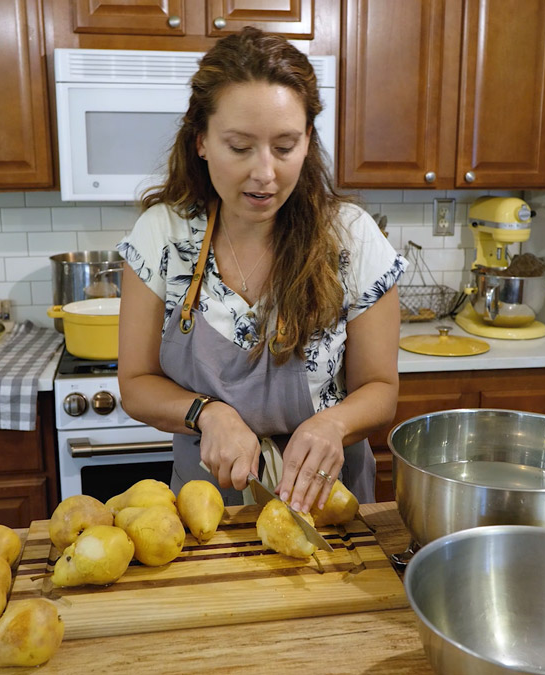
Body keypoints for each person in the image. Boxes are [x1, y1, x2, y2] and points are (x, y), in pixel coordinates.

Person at [116, 27, 406, 514]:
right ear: (202, 141)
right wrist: (207, 413)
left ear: (308, 140)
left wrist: (333, 424)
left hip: (327, 499)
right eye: (240, 146)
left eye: (285, 146)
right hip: (207, 503)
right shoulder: (161, 236)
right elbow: (137, 384)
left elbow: (380, 389)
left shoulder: (352, 237)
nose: (265, 173)